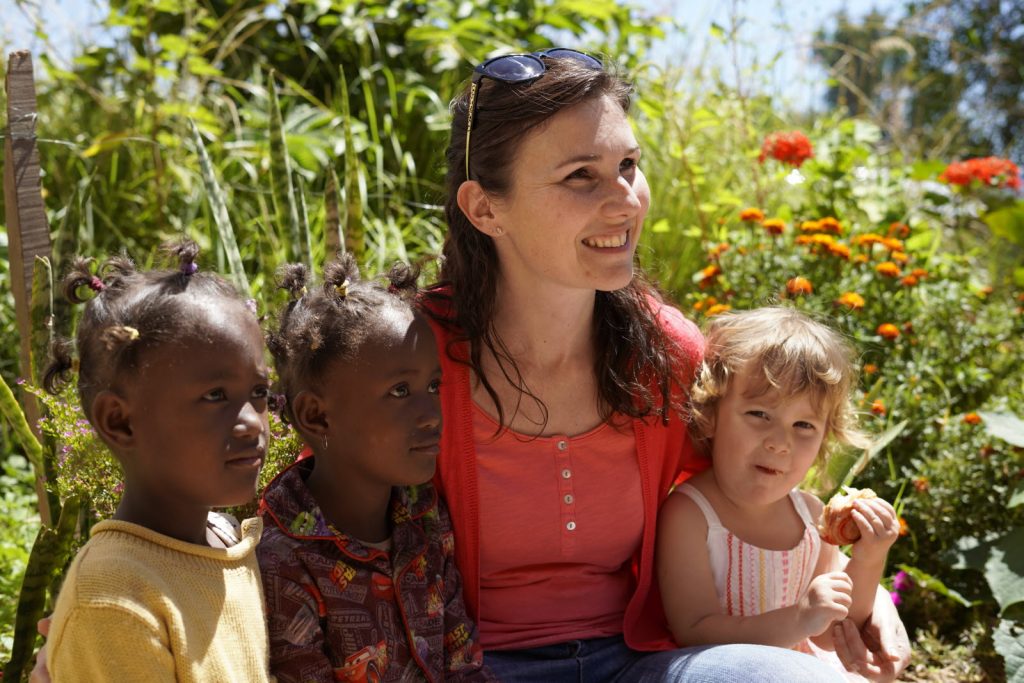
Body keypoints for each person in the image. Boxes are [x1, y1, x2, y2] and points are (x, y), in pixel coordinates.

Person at [421, 47, 911, 682]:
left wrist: (864, 589)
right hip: (468, 668)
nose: (625, 200)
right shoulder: (412, 357)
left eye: (629, 165)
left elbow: (754, 476)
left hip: (639, 664)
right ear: (486, 208)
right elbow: (325, 513)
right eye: (580, 176)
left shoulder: (666, 355)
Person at [40, 241, 273, 682]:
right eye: (215, 396)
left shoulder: (222, 539)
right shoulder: (115, 596)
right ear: (121, 422)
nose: (252, 424)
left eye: (258, 393)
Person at [257, 255, 495, 682]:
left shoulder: (423, 515)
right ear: (317, 416)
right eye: (401, 391)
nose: (431, 414)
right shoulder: (284, 559)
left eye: (433, 386)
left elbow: (462, 659)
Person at [656, 307, 900, 680]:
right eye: (759, 414)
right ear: (712, 414)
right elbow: (694, 631)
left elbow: (831, 635)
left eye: (803, 424)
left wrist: (869, 558)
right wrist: (798, 618)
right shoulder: (690, 514)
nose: (780, 443)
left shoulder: (810, 516)